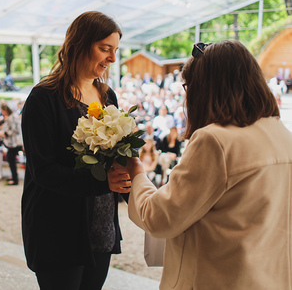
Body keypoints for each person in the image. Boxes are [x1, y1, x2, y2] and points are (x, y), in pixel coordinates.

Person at [110, 40, 292, 289]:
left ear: (204, 88)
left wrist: (137, 172)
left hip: (218, 278)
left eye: (187, 87)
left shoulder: (215, 141)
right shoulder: (282, 135)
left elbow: (160, 218)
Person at [21, 11, 131, 290]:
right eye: (105, 49)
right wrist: (101, 181)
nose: (112, 59)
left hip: (101, 225)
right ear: (79, 44)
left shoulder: (108, 95)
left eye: (115, 50)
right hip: (58, 229)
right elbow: (43, 171)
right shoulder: (44, 98)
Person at [0, 104, 22, 185]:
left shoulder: (12, 117)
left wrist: (1, 133)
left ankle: (15, 179)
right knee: (11, 159)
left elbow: (11, 130)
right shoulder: (11, 116)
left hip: (14, 142)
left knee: (11, 159)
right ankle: (14, 177)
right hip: (13, 142)